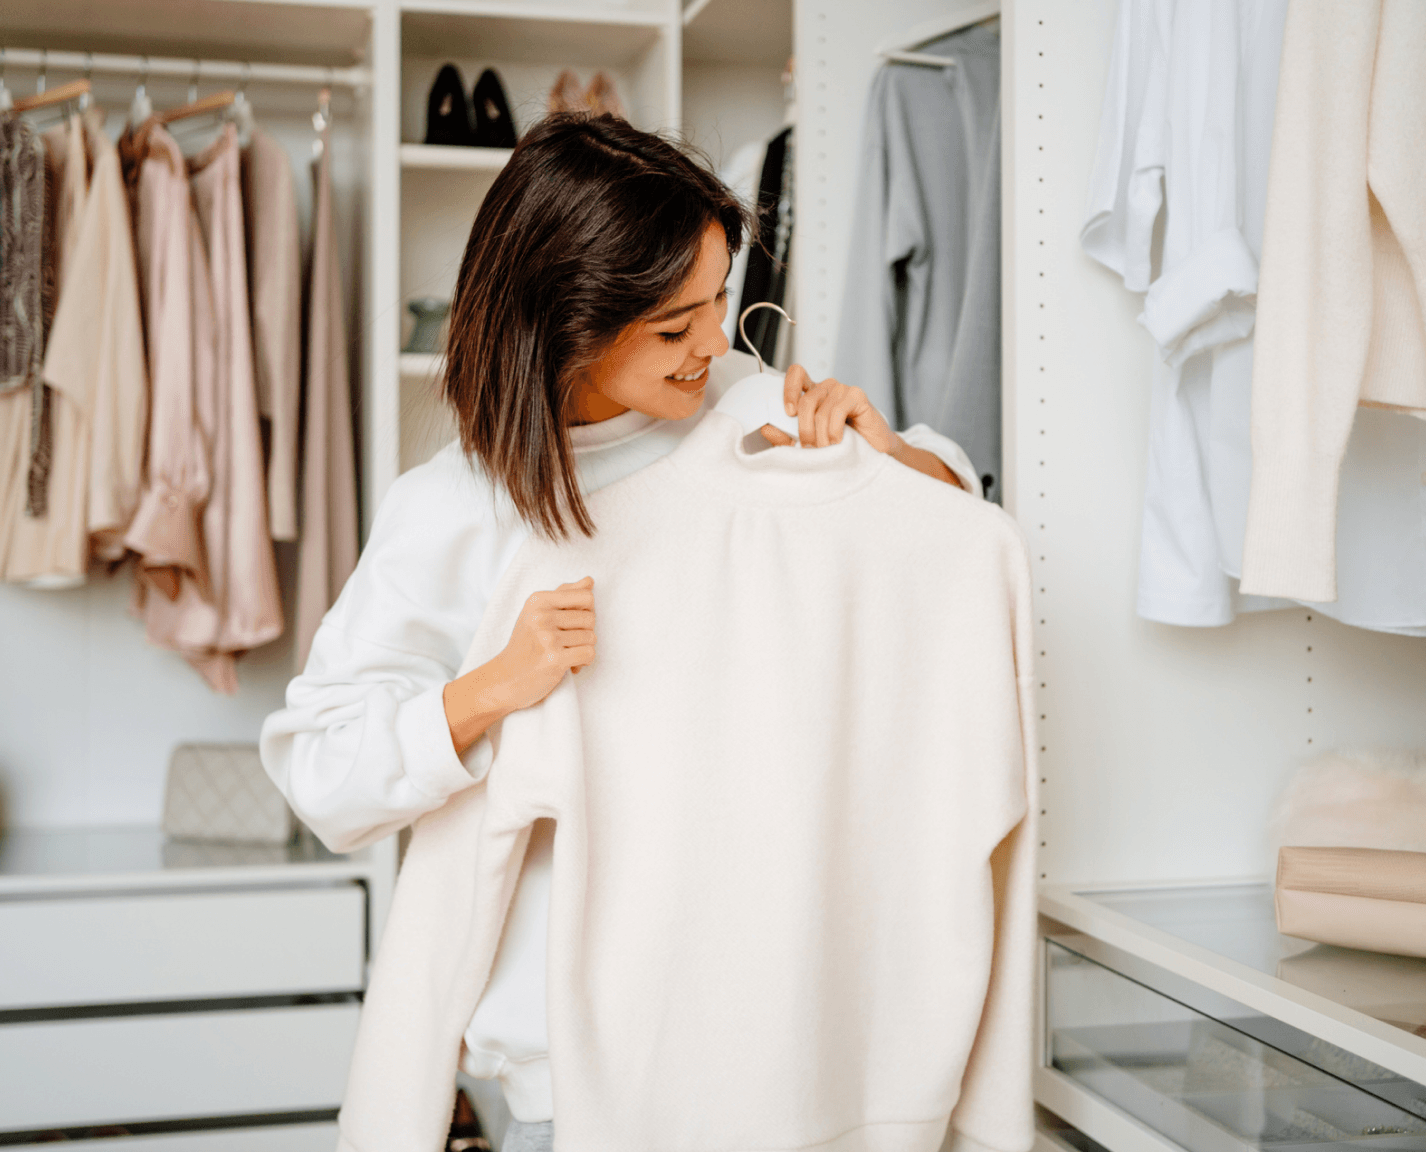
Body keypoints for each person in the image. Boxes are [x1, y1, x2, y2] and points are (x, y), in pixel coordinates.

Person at [259, 113, 979, 1151]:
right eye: (674, 328)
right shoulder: (456, 510)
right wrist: (492, 687)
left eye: (721, 303)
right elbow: (321, 771)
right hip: (582, 1082)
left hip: (785, 1036)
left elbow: (959, 546)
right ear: (568, 321)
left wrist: (885, 456)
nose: (714, 346)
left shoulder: (749, 411)